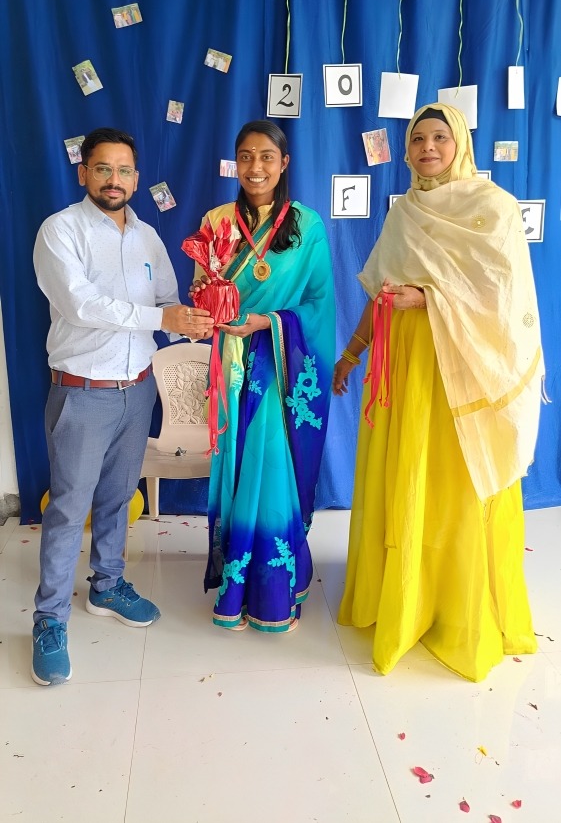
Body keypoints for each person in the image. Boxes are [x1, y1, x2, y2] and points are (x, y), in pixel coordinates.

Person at [333, 104, 544, 682]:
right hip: (405, 368)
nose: (428, 147)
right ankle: (407, 593)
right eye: (418, 139)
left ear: (461, 145)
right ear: (406, 150)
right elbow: (381, 293)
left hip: (462, 371)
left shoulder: (493, 208)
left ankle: (455, 603)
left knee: (453, 481)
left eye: (440, 137)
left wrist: (427, 299)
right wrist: (352, 352)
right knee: (407, 475)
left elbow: (503, 296)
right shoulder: (405, 212)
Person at [32, 127, 214, 686]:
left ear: (137, 178)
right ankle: (49, 620)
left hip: (137, 391)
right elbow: (81, 305)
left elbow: (166, 302)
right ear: (83, 172)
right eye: (103, 168)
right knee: (69, 509)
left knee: (117, 498)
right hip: (82, 390)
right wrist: (164, 318)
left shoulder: (147, 237)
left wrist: (203, 316)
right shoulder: (60, 230)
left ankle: (106, 585)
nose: (115, 180)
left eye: (125, 170)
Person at [192, 120, 335, 632]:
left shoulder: (307, 225)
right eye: (246, 157)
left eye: (267, 157)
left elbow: (319, 304)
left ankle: (273, 593)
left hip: (278, 366)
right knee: (235, 469)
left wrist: (268, 322)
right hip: (230, 363)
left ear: (284, 163)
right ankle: (238, 584)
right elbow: (200, 289)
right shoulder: (216, 221)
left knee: (269, 467)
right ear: (236, 163)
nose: (256, 167)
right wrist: (210, 303)